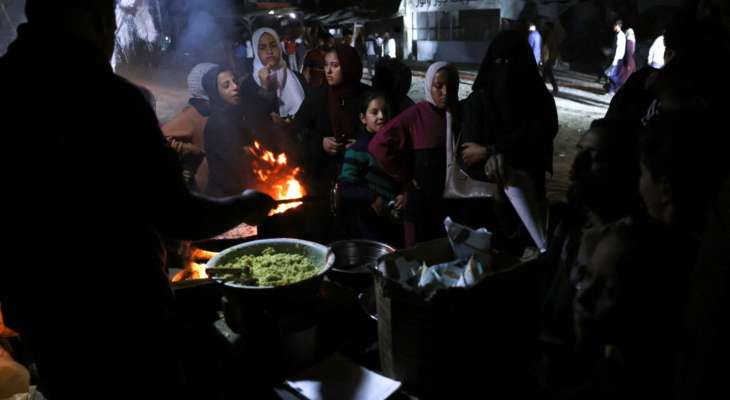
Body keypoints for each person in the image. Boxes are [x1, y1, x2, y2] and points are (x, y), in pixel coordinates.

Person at [0, 1, 275, 398]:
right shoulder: (111, 100)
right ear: (86, 17)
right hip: (121, 308)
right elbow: (178, 214)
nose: (111, 33)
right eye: (106, 20)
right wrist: (247, 204)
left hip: (41, 310)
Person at [538, 118, 642, 392]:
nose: (575, 167)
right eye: (579, 151)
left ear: (626, 171)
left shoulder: (627, 248)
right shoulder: (571, 225)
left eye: (594, 158)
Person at [369, 62, 460, 246]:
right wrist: (404, 175)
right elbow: (378, 145)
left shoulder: (459, 114)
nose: (445, 93)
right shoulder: (416, 115)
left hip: (451, 206)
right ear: (429, 85)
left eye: (451, 87)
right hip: (420, 206)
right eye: (438, 86)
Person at [295, 44, 370, 241]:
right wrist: (320, 143)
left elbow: (382, 131)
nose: (328, 71)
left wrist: (360, 145)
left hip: (360, 178)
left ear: (348, 66)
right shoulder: (317, 97)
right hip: (323, 179)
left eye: (335, 65)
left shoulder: (366, 97)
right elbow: (297, 129)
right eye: (326, 65)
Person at [338, 92, 404, 245]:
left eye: (385, 112)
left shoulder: (394, 148)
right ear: (363, 118)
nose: (381, 116)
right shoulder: (357, 150)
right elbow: (346, 187)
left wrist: (402, 194)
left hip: (393, 222)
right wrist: (372, 197)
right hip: (367, 224)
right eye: (374, 112)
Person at [239, 28, 307, 156]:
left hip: (298, 149)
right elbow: (253, 122)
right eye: (263, 47)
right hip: (268, 155)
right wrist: (264, 87)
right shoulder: (248, 84)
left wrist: (289, 125)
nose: (269, 51)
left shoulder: (297, 78)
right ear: (256, 51)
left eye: (273, 45)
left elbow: (309, 114)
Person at [162, 62, 218, 192]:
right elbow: (162, 138)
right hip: (205, 189)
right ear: (203, 85)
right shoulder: (193, 114)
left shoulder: (216, 109)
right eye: (215, 79)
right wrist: (192, 150)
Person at [202, 66, 251, 198]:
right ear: (215, 93)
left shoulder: (235, 115)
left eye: (235, 81)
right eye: (226, 85)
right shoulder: (219, 123)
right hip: (225, 199)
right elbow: (235, 166)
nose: (235, 87)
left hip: (237, 194)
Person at [606, 20, 627, 93]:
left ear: (618, 26)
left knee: (611, 75)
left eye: (614, 25)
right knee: (612, 74)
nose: (613, 27)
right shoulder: (620, 35)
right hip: (618, 58)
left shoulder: (619, 36)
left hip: (617, 58)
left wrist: (615, 60)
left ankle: (617, 87)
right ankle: (610, 90)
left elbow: (618, 48)